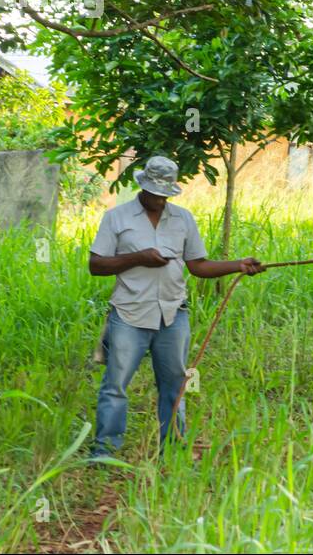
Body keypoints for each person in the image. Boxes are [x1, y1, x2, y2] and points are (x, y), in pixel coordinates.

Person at [88, 155, 260, 457]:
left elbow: (198, 265)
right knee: (115, 385)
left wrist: (238, 265)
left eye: (165, 194)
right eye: (154, 193)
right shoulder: (117, 218)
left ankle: (173, 447)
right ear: (142, 187)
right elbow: (96, 265)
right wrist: (138, 257)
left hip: (172, 314)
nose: (159, 199)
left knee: (174, 386)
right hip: (129, 314)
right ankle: (104, 452)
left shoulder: (183, 220)